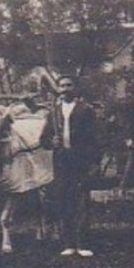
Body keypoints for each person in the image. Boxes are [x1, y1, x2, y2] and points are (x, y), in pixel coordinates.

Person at [47, 74, 99, 257]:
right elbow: (43, 139)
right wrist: (50, 141)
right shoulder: (53, 112)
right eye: (62, 86)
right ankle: (68, 244)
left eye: (69, 85)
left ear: (75, 88)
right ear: (58, 89)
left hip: (80, 161)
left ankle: (83, 244)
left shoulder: (86, 110)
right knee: (63, 201)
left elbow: (95, 138)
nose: (65, 89)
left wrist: (93, 162)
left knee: (82, 202)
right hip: (61, 162)